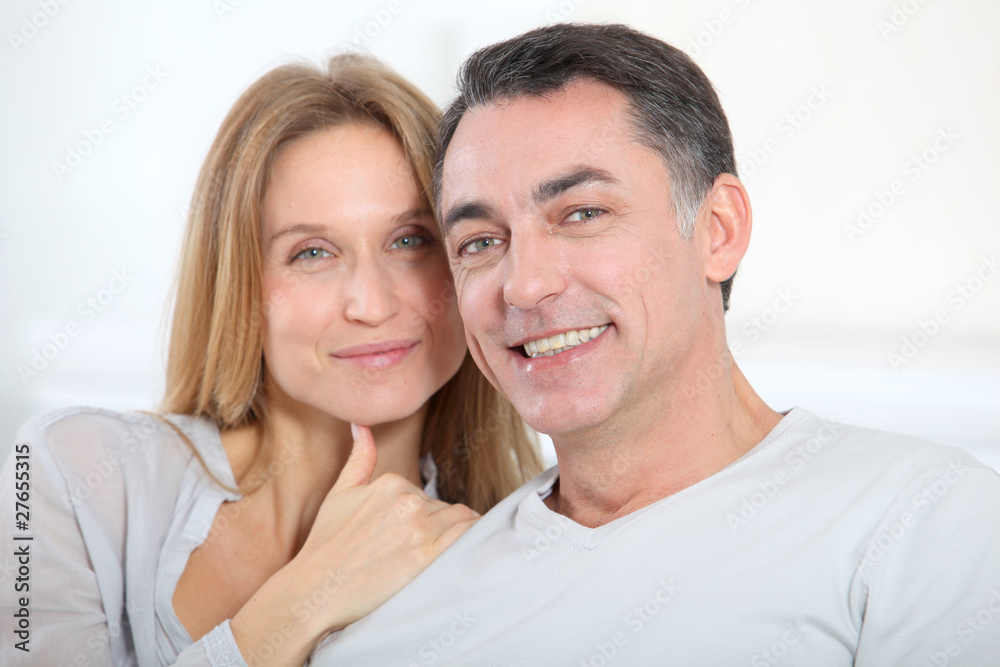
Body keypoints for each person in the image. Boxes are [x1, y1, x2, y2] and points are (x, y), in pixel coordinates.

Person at [309, 23, 1000, 665]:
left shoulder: (923, 521)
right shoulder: (407, 608)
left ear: (718, 229)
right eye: (480, 242)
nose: (523, 285)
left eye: (582, 214)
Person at [0, 54, 541, 666]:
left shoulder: (510, 553)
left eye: (410, 240)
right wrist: (308, 595)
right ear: (240, 287)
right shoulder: (70, 473)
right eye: (312, 253)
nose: (371, 303)